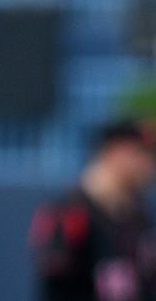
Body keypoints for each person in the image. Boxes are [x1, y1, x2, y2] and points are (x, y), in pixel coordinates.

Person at [30, 120, 156, 301]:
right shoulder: (69, 210)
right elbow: (54, 279)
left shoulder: (139, 213)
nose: (149, 165)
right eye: (142, 154)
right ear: (116, 152)